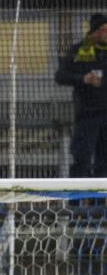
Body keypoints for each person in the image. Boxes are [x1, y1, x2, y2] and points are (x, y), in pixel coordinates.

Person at [55, 13, 107, 178]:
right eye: (103, 30)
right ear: (94, 32)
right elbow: (61, 76)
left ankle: (100, 202)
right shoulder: (78, 51)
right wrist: (83, 79)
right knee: (82, 159)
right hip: (86, 115)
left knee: (104, 162)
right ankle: (76, 202)